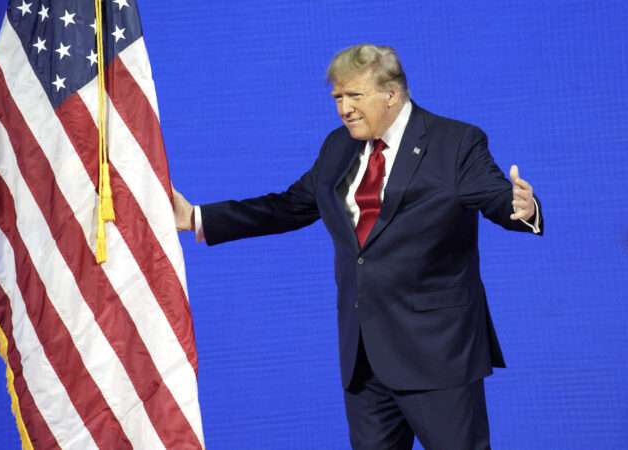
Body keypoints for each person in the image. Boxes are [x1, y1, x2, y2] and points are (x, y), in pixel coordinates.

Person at [172, 44, 543, 450]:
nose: (344, 108)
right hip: (364, 361)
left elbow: (493, 195)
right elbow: (289, 206)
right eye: (337, 98)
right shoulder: (338, 147)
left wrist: (520, 209)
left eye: (354, 96)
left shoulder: (455, 142)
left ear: (392, 93)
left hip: (438, 354)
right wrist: (196, 218)